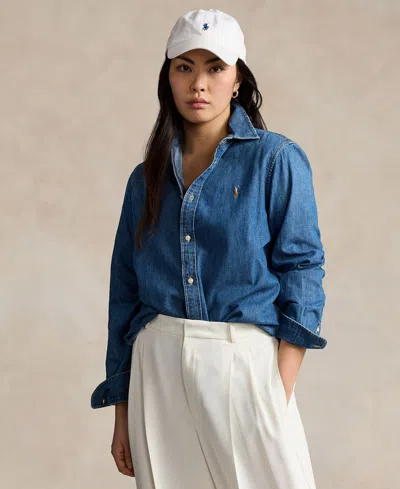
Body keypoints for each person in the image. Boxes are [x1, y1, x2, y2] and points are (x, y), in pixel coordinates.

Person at [90, 8, 327, 489]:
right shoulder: (145, 179)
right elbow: (124, 293)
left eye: (215, 68)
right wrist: (122, 408)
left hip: (244, 361)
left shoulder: (275, 159)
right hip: (156, 365)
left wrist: (278, 388)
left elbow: (302, 268)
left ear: (237, 80)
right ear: (169, 77)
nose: (199, 83)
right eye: (185, 67)